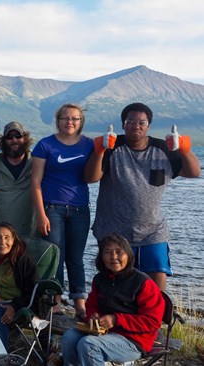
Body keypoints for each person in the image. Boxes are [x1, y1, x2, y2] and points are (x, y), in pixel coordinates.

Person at [85, 102, 200, 291]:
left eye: (141, 122)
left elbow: (193, 172)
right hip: (113, 229)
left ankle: (159, 316)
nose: (136, 126)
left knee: (157, 272)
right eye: (130, 121)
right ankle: (117, 313)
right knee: (115, 276)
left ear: (148, 125)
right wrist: (100, 150)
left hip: (152, 230)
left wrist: (184, 149)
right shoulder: (113, 146)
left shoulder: (163, 149)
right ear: (123, 124)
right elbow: (90, 178)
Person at [61, 234, 165, 366]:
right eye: (108, 252)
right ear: (102, 257)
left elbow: (153, 322)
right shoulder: (100, 279)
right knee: (69, 337)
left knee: (88, 344)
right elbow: (91, 306)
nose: (114, 257)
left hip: (134, 341)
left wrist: (116, 319)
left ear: (128, 255)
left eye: (119, 252)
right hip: (104, 333)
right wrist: (93, 316)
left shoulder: (142, 283)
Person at [31, 103, 93, 318]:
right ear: (57, 120)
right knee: (55, 256)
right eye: (65, 118)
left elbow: (95, 173)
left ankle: (80, 304)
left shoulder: (89, 145)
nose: (70, 122)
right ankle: (55, 302)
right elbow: (35, 181)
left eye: (75, 119)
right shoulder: (45, 145)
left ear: (81, 122)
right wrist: (41, 214)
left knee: (76, 258)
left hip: (79, 209)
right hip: (52, 208)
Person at [0, 121, 35, 238]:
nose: (14, 140)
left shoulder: (36, 162)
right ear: (3, 141)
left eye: (18, 136)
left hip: (31, 232)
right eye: (9, 137)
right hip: (2, 234)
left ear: (25, 138)